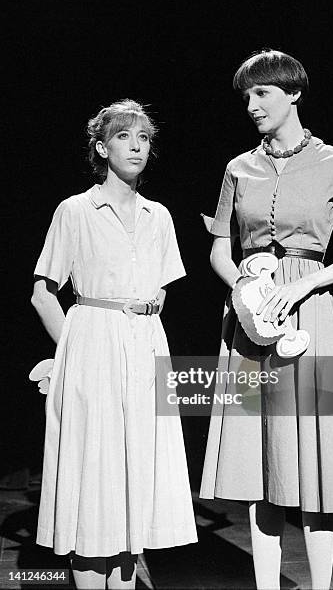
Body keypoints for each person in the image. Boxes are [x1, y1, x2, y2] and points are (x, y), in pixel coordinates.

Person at [200, 49, 333, 590]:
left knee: (316, 455)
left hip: (311, 315)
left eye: (262, 94)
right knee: (263, 458)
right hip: (250, 320)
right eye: (247, 97)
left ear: (293, 94)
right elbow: (218, 249)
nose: (252, 106)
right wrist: (245, 288)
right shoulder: (239, 167)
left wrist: (304, 282)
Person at [31, 99, 197, 589]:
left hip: (146, 349)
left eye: (143, 138)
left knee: (136, 479)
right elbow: (43, 294)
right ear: (102, 148)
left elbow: (160, 294)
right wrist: (74, 353)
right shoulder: (76, 211)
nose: (136, 146)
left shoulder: (158, 216)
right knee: (94, 478)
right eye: (124, 137)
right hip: (93, 347)